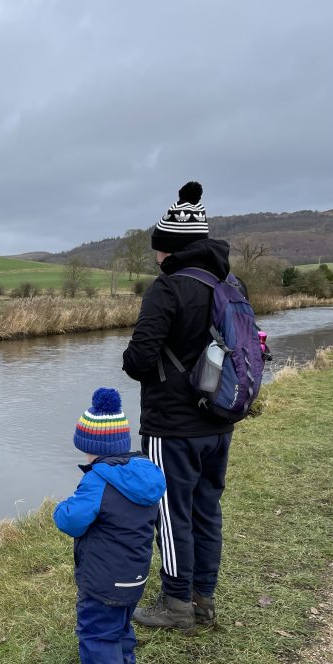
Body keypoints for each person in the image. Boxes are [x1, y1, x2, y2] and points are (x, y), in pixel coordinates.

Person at [122, 180, 234, 632]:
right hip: (220, 419)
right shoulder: (229, 284)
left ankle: (176, 607)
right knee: (207, 509)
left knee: (170, 515)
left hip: (172, 425)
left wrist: (157, 376)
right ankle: (203, 598)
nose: (155, 256)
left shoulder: (167, 289)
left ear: (168, 249)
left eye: (158, 249)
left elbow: (137, 360)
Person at [53, 388, 166, 664]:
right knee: (121, 623)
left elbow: (72, 521)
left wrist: (61, 507)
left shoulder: (98, 481)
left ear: (92, 449)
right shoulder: (145, 474)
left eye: (86, 451)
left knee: (96, 629)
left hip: (102, 576)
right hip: (135, 572)